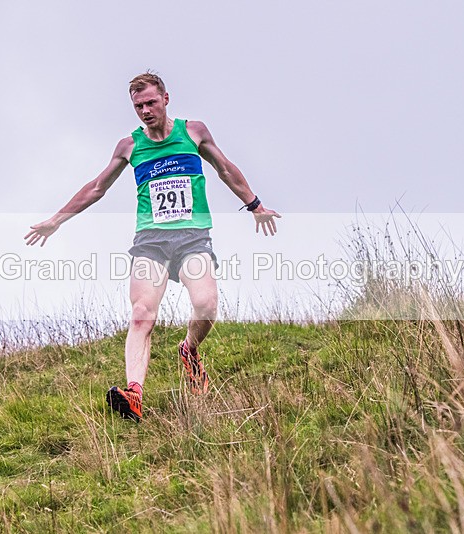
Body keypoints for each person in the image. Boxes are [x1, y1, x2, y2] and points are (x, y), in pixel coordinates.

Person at [25, 72, 281, 421]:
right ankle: (134, 395)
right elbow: (97, 187)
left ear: (165, 99)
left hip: (192, 237)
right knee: (142, 313)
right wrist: (57, 219)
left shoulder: (193, 132)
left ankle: (189, 351)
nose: (145, 110)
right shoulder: (129, 146)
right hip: (151, 241)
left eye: (150, 103)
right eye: (138, 106)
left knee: (206, 305)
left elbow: (225, 169)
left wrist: (256, 206)